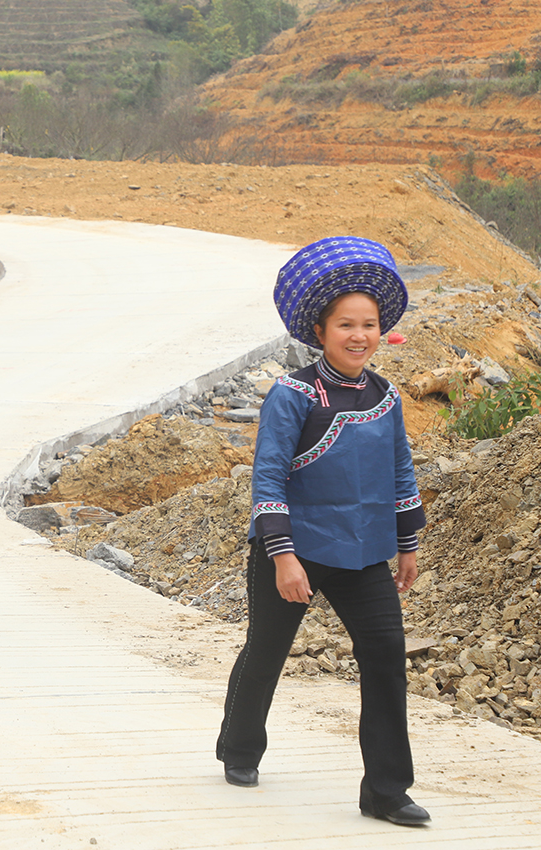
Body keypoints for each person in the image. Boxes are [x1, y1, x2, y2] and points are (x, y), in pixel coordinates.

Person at [216, 236, 430, 826]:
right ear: (321, 329)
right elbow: (268, 480)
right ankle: (239, 748)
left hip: (364, 553)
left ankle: (386, 790)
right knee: (267, 649)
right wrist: (284, 557)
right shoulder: (292, 396)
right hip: (296, 552)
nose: (359, 336)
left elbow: (399, 468)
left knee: (386, 652)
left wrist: (407, 541)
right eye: (346, 325)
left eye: (369, 324)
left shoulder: (385, 395)